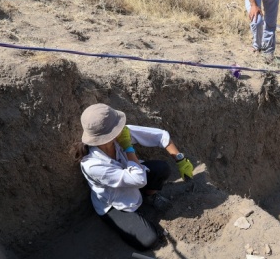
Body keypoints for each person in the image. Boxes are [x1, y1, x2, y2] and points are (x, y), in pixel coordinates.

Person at [75, 103, 194, 250]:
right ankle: (132, 219)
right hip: (115, 204)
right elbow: (139, 179)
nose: (122, 128)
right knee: (148, 241)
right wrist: (128, 147)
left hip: (134, 179)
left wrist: (181, 160)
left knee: (161, 168)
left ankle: (149, 197)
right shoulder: (93, 165)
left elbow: (160, 136)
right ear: (108, 135)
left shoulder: (119, 134)